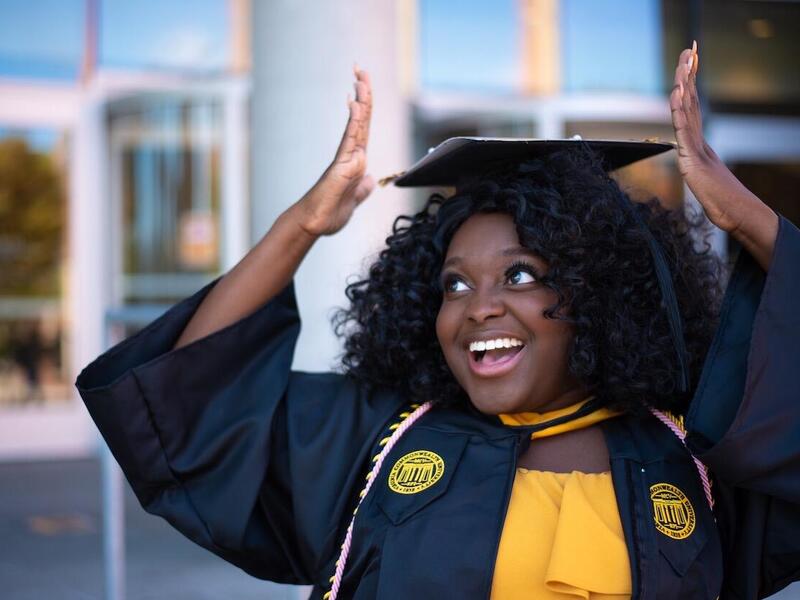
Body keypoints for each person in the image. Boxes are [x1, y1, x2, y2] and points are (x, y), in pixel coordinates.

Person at [75, 44, 799, 599]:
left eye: (520, 275)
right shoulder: (382, 443)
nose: (478, 306)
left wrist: (748, 218)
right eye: (455, 284)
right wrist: (302, 225)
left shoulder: (695, 457)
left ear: (598, 292)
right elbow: (188, 400)